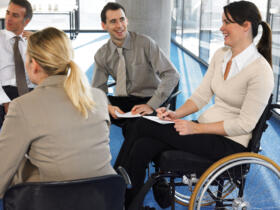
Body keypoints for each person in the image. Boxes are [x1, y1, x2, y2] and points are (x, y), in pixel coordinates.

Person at [121, 1, 274, 207]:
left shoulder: (260, 71)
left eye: (227, 22)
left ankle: (111, 184)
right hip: (204, 131)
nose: (221, 28)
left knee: (140, 124)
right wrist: (176, 114)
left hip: (229, 143)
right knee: (143, 145)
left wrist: (196, 128)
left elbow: (244, 125)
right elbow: (200, 96)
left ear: (246, 26)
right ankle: (130, 204)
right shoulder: (221, 55)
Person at [0, 27, 115, 198]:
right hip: (103, 198)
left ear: (35, 65)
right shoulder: (98, 97)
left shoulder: (23, 106)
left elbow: (2, 172)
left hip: (52, 200)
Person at [92, 2, 179, 123]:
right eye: (113, 21)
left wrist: (151, 105)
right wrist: (108, 107)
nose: (119, 25)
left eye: (122, 19)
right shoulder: (102, 55)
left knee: (135, 126)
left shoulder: (145, 43)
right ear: (104, 25)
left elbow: (172, 74)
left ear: (127, 21)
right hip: (123, 100)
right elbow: (97, 89)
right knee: (91, 111)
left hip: (149, 98)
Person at [0, 0, 34, 128]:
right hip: (4, 94)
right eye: (8, 13)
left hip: (30, 93)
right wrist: (5, 102)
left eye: (15, 15)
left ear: (26, 21)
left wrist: (38, 43)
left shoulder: (33, 40)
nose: (8, 18)